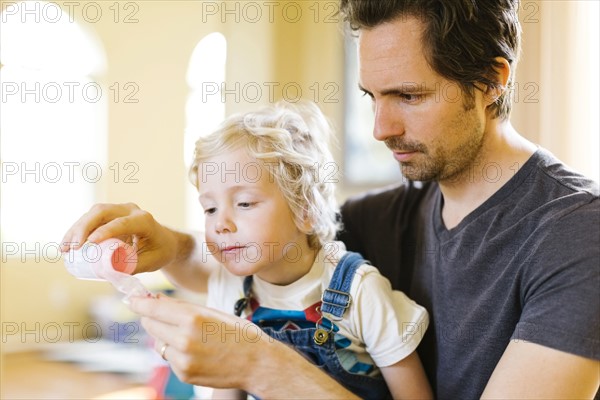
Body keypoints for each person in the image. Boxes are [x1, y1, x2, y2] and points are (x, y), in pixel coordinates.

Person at [60, 0, 600, 398]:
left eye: (408, 96)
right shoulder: (383, 215)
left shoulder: (578, 233)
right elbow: (270, 257)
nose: (381, 128)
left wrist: (261, 366)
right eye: (372, 97)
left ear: (491, 81)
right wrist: (171, 246)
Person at [190, 100, 432, 399]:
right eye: (210, 209)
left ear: (305, 211)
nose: (220, 224)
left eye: (244, 203)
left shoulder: (359, 290)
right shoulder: (230, 291)